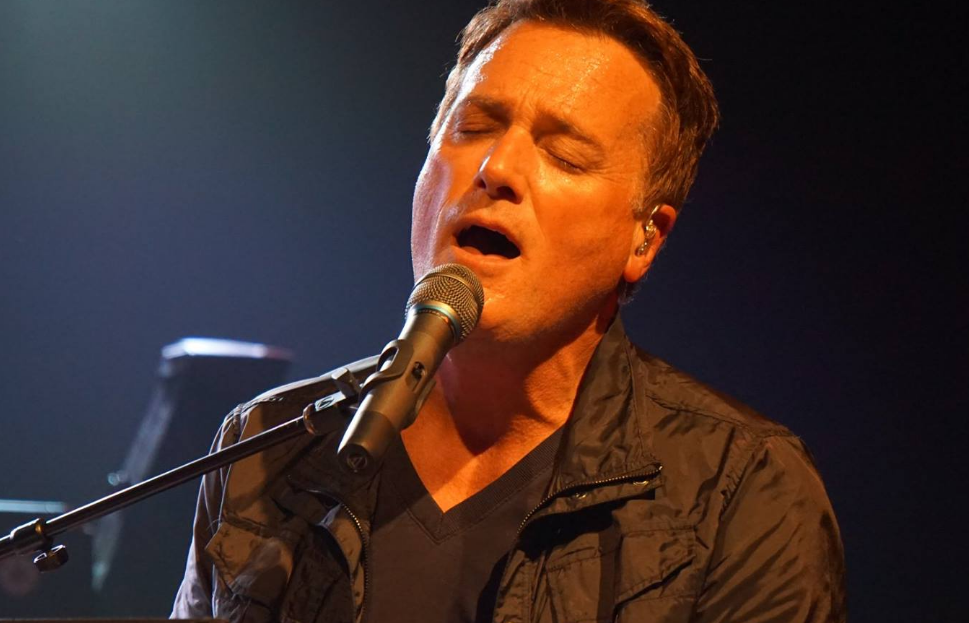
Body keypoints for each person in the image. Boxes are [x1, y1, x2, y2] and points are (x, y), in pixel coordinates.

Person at [172, 1, 846, 621]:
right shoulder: (271, 445)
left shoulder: (742, 491)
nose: (496, 168)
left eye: (565, 154)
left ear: (645, 238)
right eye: (473, 127)